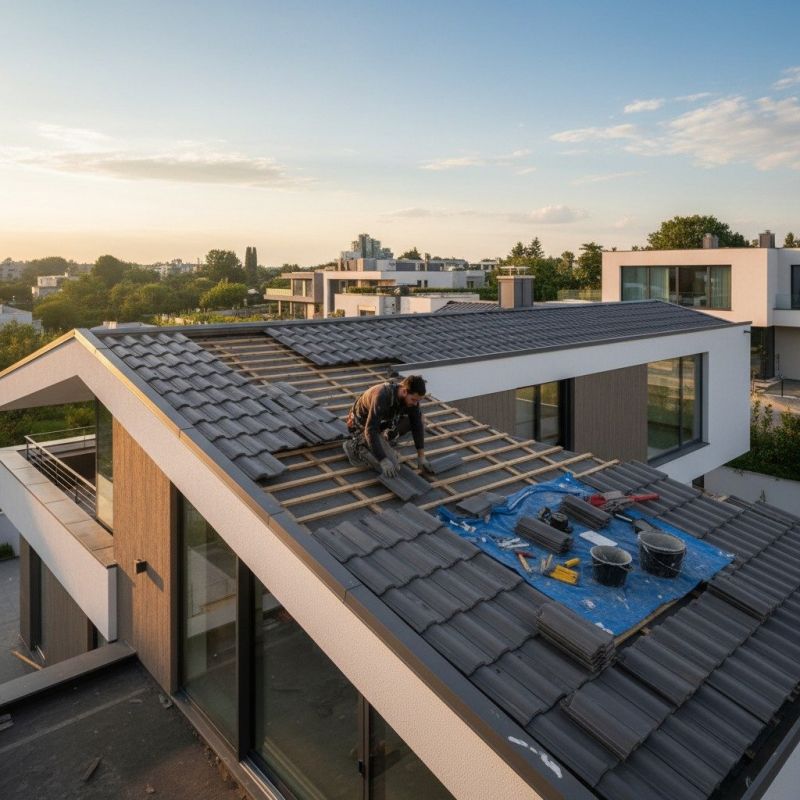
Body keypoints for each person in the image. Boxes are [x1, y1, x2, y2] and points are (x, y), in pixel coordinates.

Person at [343, 374, 431, 478]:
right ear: (404, 391)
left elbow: (416, 424)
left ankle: (382, 440)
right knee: (392, 466)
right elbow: (370, 430)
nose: (416, 404)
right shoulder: (382, 396)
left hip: (382, 422)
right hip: (360, 426)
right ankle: (355, 446)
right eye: (413, 400)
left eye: (418, 401)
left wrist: (421, 456)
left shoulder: (410, 399)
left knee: (420, 420)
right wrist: (383, 460)